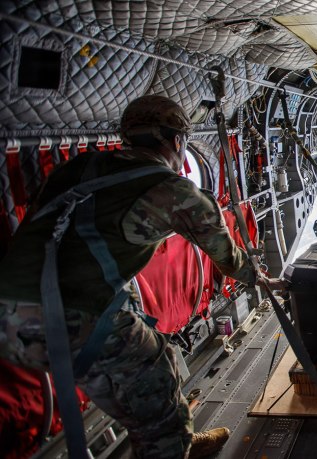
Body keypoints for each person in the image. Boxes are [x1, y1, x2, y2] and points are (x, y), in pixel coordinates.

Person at [0, 95, 281, 458]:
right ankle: (170, 444)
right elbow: (227, 258)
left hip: (7, 314)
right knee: (160, 376)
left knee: (138, 359)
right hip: (72, 317)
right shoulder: (177, 192)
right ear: (178, 141)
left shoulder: (77, 167)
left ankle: (171, 436)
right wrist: (259, 277)